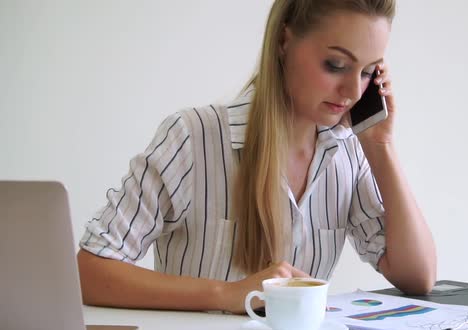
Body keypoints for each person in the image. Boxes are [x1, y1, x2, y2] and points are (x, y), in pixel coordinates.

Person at [77, 0, 437, 314]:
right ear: (284, 41)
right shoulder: (193, 137)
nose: (353, 90)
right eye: (335, 64)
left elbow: (417, 276)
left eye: (368, 71)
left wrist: (380, 145)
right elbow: (90, 270)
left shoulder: (348, 152)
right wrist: (226, 295)